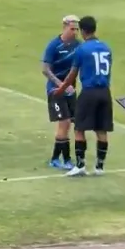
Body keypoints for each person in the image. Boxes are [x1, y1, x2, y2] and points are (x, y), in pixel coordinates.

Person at [54, 16, 113, 177]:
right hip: (105, 92)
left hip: (89, 92)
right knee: (101, 129)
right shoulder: (106, 48)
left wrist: (61, 89)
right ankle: (100, 167)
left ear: (82, 31)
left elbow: (72, 75)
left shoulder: (82, 49)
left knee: (79, 128)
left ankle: (80, 165)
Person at [42, 15, 80, 170]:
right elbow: (45, 70)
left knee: (69, 124)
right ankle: (67, 160)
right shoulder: (54, 45)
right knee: (64, 123)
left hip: (70, 91)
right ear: (64, 27)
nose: (75, 32)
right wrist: (62, 85)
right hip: (56, 90)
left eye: (77, 29)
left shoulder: (78, 45)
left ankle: (55, 159)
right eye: (72, 29)